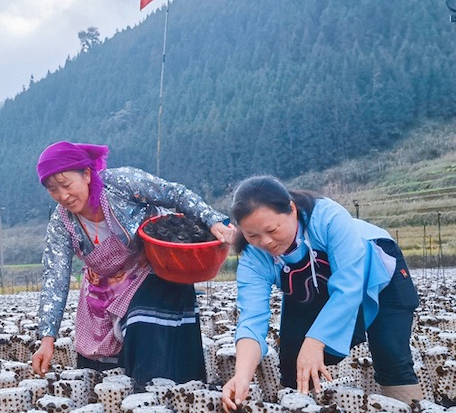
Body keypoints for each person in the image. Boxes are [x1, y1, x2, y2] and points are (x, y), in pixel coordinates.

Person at [31, 141, 236, 387]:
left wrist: (212, 220)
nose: (63, 196)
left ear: (86, 174)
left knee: (145, 327)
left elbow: (175, 194)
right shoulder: (61, 223)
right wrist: (47, 337)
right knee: (101, 373)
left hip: (153, 269)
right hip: (104, 289)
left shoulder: (119, 184)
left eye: (66, 185)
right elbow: (55, 277)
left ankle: (164, 395)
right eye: (53, 190)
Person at [220, 175, 421, 410]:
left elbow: (348, 288)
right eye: (252, 235)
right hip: (311, 285)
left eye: (272, 230)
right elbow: (251, 320)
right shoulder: (253, 258)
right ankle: (297, 404)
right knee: (293, 361)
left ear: (292, 209)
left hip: (379, 270)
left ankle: (406, 405)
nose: (266, 242)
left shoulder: (328, 218)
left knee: (390, 352)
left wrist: (316, 342)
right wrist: (242, 375)